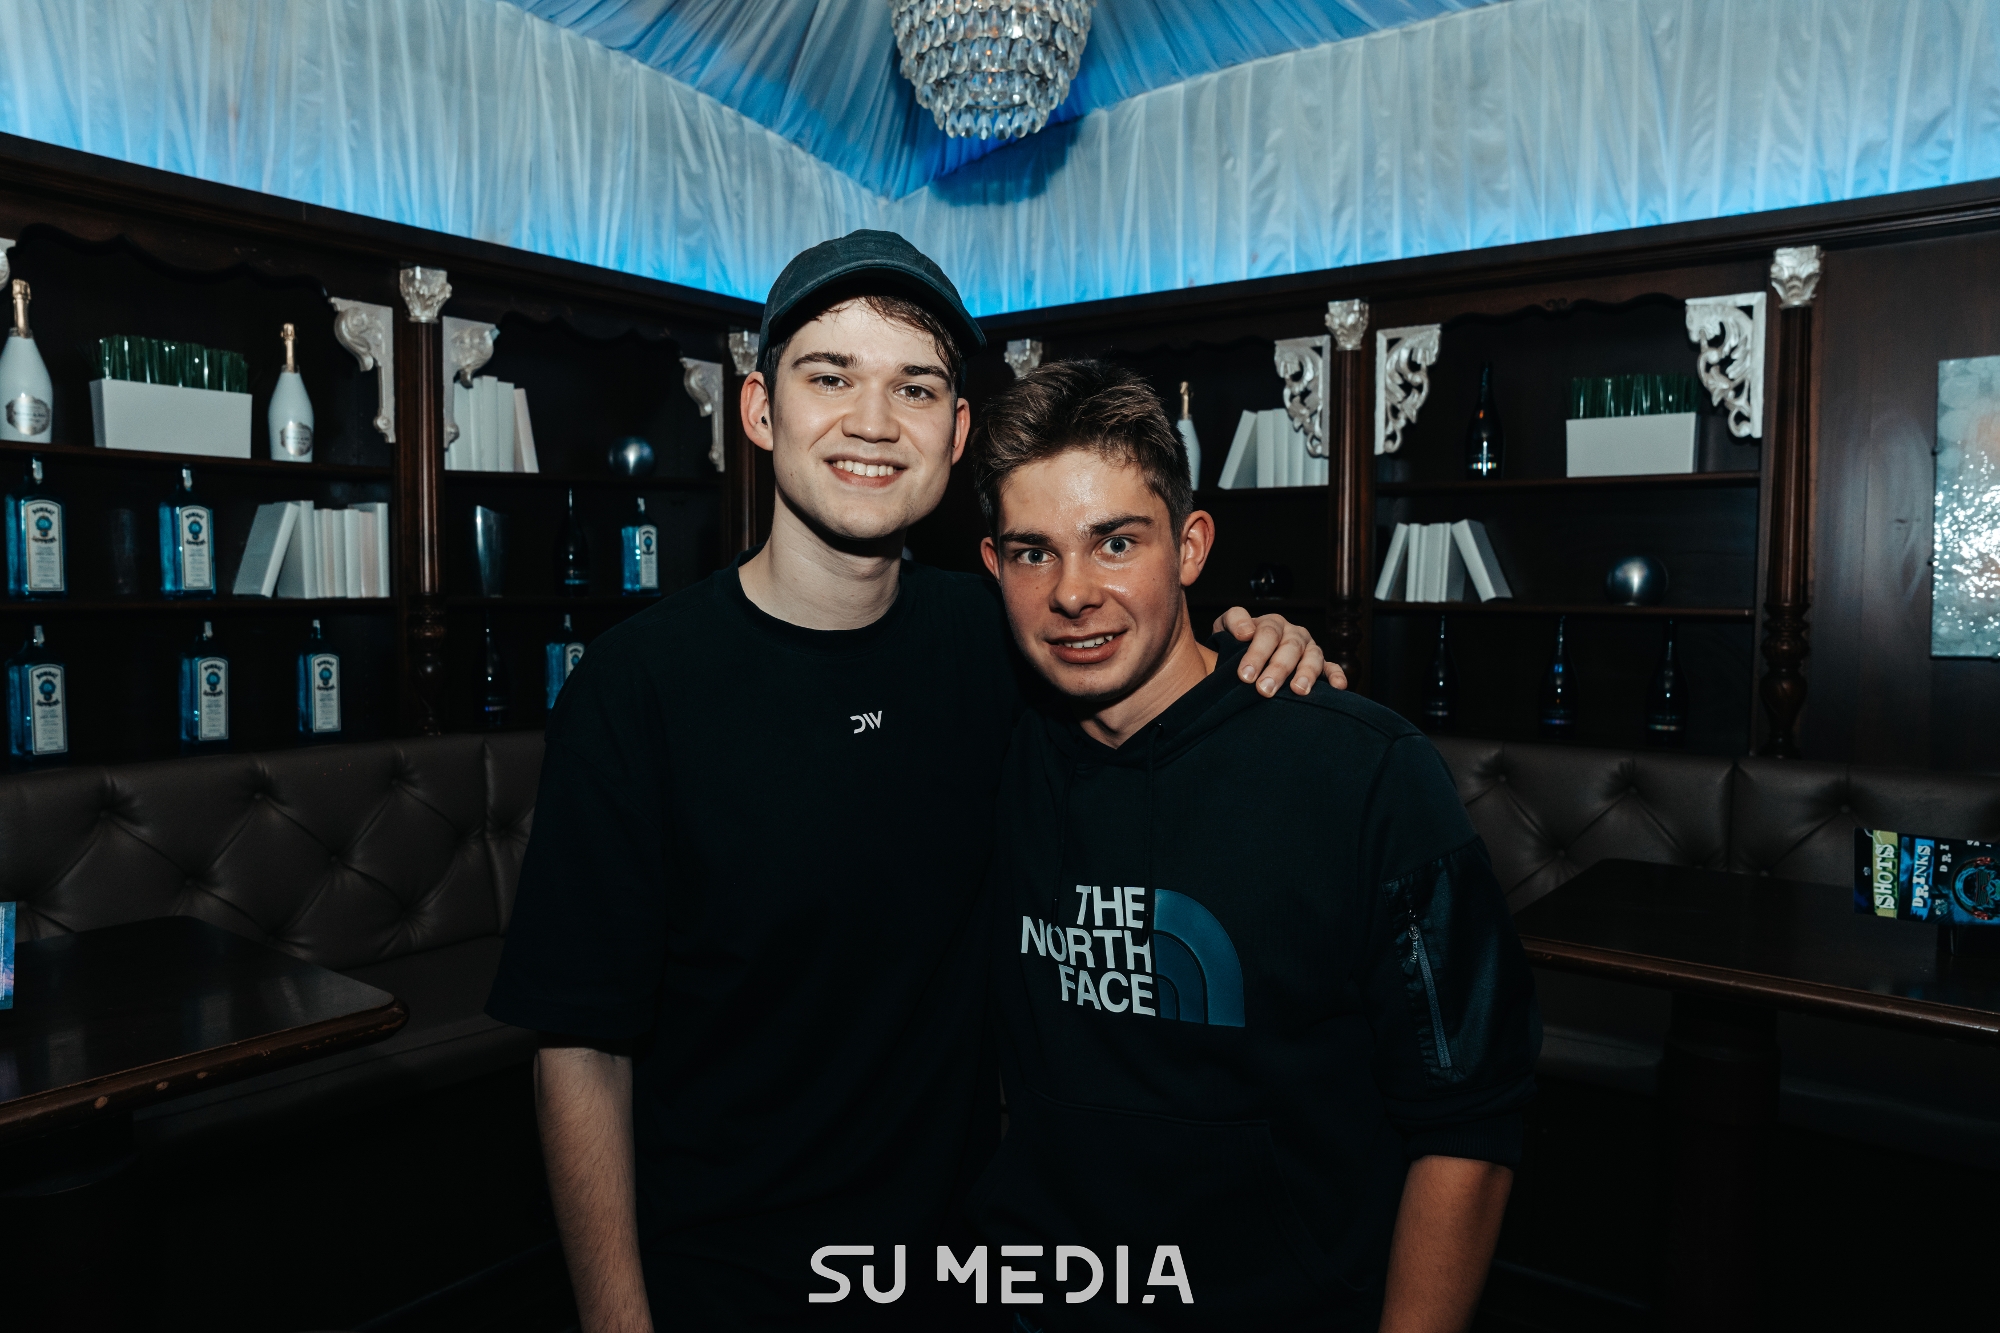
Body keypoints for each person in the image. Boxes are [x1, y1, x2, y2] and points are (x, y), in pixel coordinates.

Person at [485, 232, 1345, 1332]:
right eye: (829, 376)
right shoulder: (635, 687)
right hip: (730, 1278)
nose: (874, 421)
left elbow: (1137, 654)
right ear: (759, 410)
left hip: (969, 1270)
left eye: (915, 387)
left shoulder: (999, 640)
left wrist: (1252, 643)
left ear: (957, 433)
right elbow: (580, 1048)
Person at [969, 359, 1540, 1332]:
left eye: (1116, 542)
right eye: (1034, 553)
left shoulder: (1359, 770)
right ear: (994, 565)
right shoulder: (990, 747)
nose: (1073, 592)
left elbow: (1469, 1121)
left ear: (1189, 547)